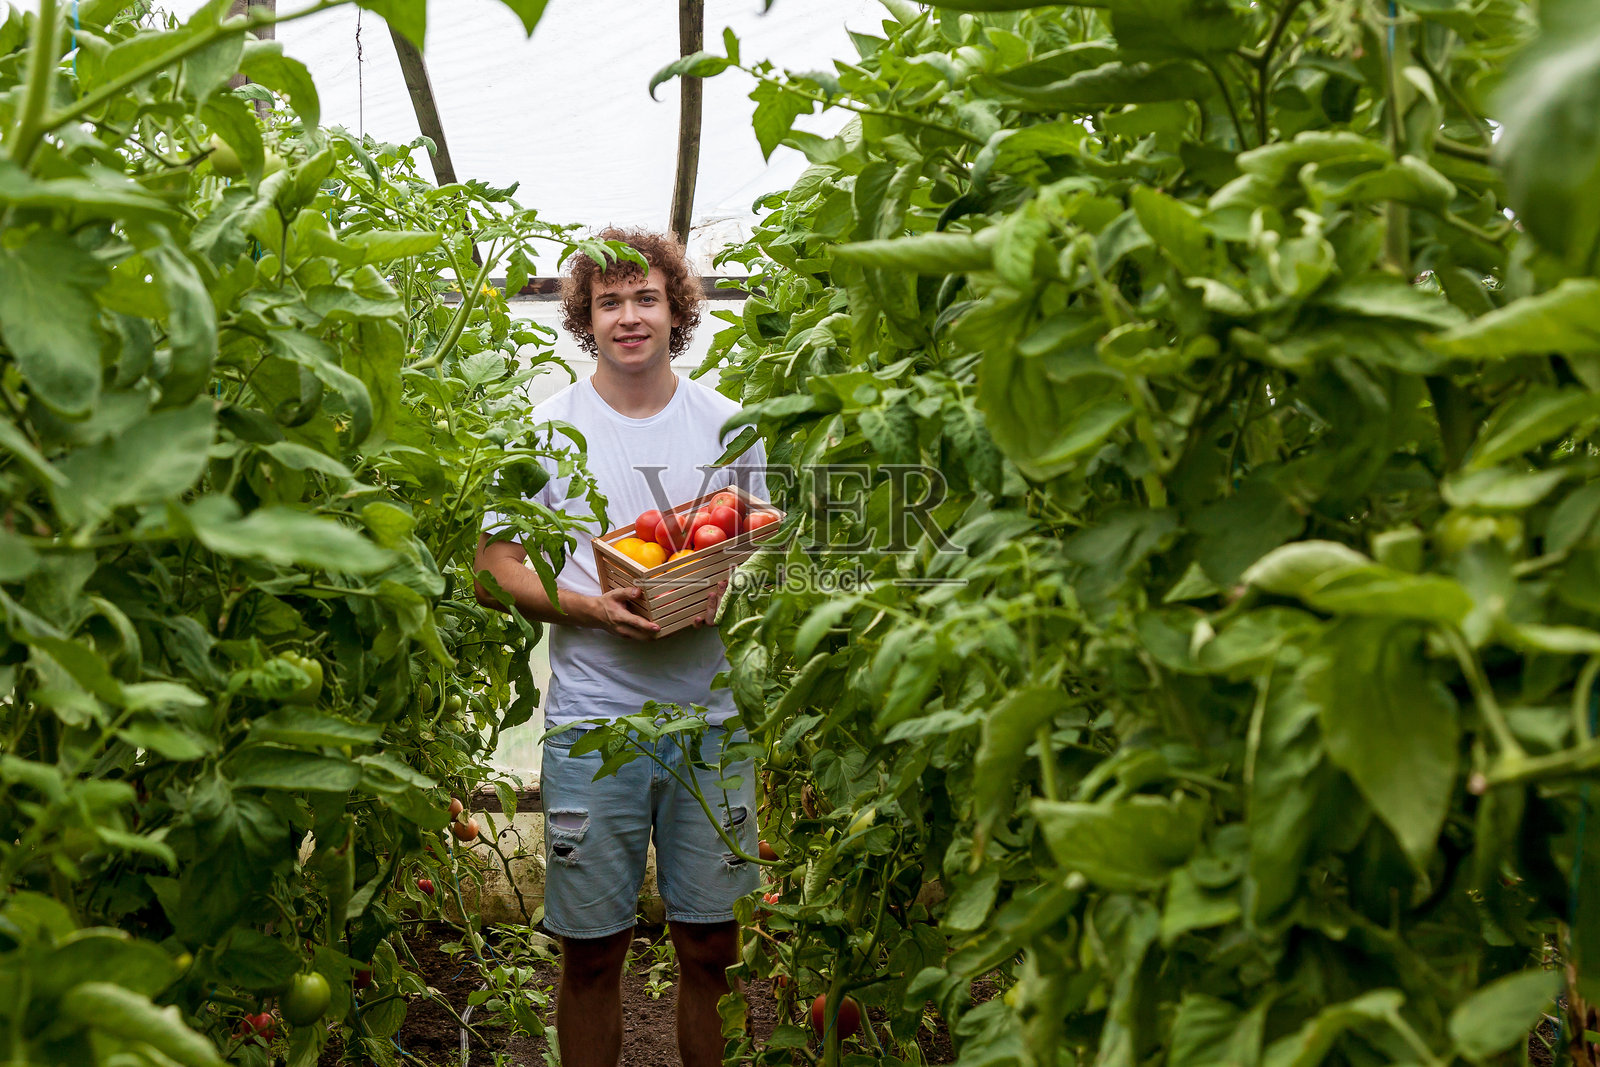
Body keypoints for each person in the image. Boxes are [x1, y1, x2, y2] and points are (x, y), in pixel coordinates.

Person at [473, 229, 765, 1067]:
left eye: (645, 298)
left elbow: (751, 549)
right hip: (592, 723)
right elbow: (497, 567)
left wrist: (720, 591)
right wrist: (593, 609)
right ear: (585, 319)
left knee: (711, 944)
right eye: (609, 302)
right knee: (592, 950)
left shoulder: (727, 425)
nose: (628, 316)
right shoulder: (546, 427)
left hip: (711, 719)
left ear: (676, 309)